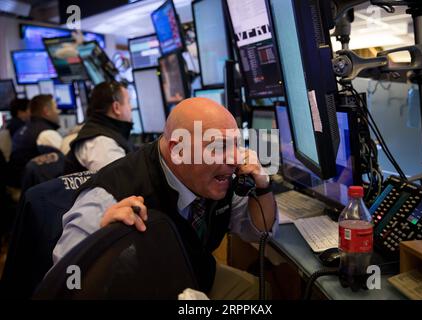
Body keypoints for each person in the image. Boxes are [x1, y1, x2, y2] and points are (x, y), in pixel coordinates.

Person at [53, 97, 279, 299]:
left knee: (260, 292)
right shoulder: (110, 194)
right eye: (219, 147)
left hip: (195, 276)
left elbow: (258, 233)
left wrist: (263, 186)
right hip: (141, 291)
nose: (234, 158)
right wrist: (104, 247)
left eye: (236, 145)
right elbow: (66, 282)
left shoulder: (222, 177)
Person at [63, 81, 133, 174]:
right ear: (116, 108)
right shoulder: (101, 144)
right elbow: (121, 185)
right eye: (128, 102)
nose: (131, 107)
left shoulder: (101, 130)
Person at [8, 94, 62, 187]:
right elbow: (66, 162)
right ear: (46, 111)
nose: (59, 112)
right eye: (56, 108)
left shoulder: (22, 129)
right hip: (34, 188)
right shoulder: (46, 133)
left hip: (19, 184)